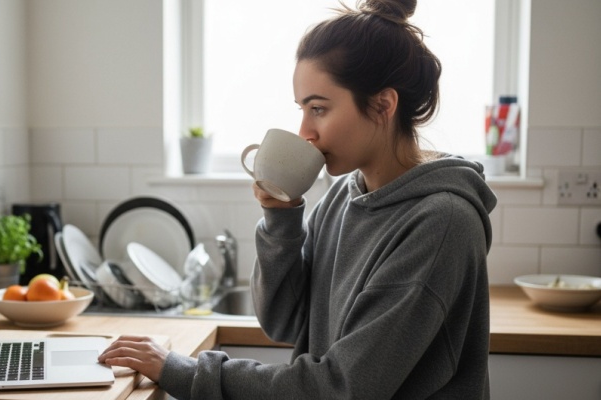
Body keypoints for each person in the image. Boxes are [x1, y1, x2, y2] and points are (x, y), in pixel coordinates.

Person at [98, 0, 497, 398]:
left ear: (383, 105)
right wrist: (281, 219)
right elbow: (284, 322)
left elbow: (342, 386)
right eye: (303, 110)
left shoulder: (442, 222)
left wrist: (185, 372)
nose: (305, 131)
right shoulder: (344, 195)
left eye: (319, 109)